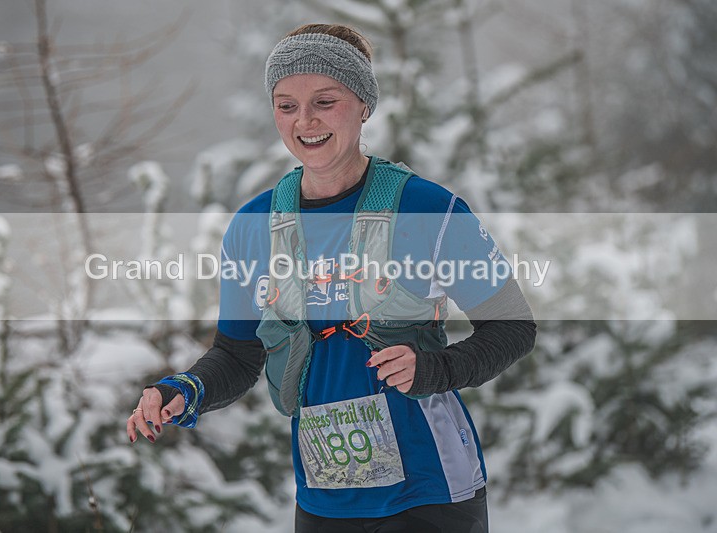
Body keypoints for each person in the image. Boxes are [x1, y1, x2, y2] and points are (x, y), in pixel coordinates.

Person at [127, 23, 536, 533]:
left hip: (430, 490)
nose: (306, 121)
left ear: (364, 104)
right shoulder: (254, 227)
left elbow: (514, 327)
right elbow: (238, 354)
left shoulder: (429, 209)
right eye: (286, 104)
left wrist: (435, 369)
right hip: (326, 497)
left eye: (325, 101)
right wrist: (184, 389)